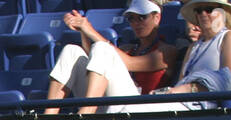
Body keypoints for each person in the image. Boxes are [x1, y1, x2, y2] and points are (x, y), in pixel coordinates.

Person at [45, 0, 180, 114]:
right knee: (71, 50)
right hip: (111, 104)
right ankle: (48, 117)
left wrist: (89, 29)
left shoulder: (167, 51)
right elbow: (95, 60)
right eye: (131, 18)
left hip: (141, 109)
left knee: (102, 48)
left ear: (157, 18)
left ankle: (87, 112)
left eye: (142, 17)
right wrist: (83, 31)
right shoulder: (128, 49)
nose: (136, 23)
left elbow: (131, 63)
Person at [127, 0, 231, 111]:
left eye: (209, 9)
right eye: (199, 11)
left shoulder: (229, 37)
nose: (203, 14)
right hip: (184, 105)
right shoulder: (194, 47)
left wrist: (189, 88)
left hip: (207, 110)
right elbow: (181, 83)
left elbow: (228, 80)